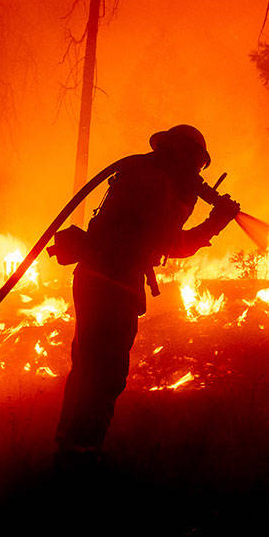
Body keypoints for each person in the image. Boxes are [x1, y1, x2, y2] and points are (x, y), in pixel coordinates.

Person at [52, 124, 240, 467]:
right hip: (112, 284)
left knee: (88, 368)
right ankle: (82, 457)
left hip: (98, 278)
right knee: (105, 374)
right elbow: (172, 243)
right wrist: (216, 221)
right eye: (196, 165)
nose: (196, 175)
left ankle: (69, 448)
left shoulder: (145, 175)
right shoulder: (155, 184)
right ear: (182, 156)